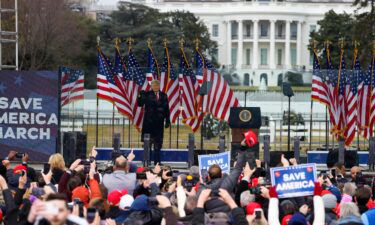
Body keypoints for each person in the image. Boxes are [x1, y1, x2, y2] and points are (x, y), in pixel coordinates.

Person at [138, 79, 170, 165]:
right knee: (147, 145)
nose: (155, 87)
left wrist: (167, 120)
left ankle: (157, 163)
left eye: (157, 85)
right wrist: (140, 96)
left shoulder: (164, 95)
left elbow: (167, 109)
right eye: (154, 85)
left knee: (158, 145)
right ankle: (146, 162)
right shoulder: (147, 94)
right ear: (151, 86)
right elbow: (140, 104)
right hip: (148, 124)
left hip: (159, 125)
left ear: (159, 86)